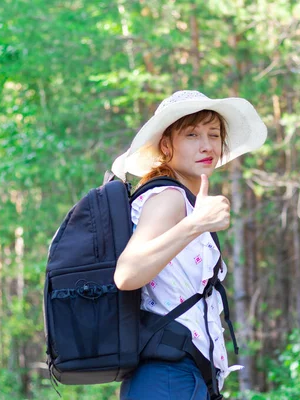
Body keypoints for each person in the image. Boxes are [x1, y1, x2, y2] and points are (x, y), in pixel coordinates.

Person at [111, 90, 266, 400]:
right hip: (167, 377)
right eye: (192, 135)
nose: (206, 145)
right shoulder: (168, 197)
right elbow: (126, 274)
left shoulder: (187, 200)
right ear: (167, 145)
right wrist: (196, 224)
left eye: (214, 134)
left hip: (184, 375)